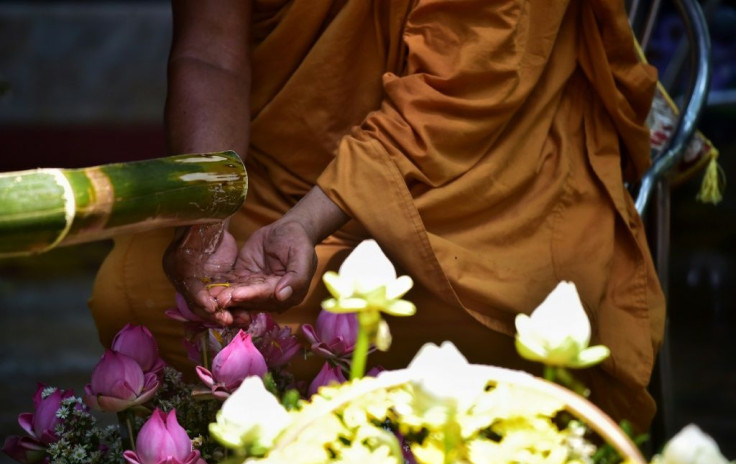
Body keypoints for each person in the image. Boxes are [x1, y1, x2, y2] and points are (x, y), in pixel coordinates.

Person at [90, 0, 665, 431]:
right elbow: (209, 55)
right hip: (281, 176)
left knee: (511, 320)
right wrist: (207, 217)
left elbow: (464, 86)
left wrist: (307, 223)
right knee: (133, 294)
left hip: (482, 186)